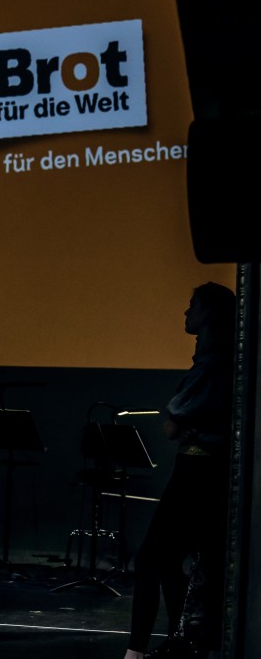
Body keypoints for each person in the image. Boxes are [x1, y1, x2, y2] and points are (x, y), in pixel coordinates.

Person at [123, 281, 236, 659]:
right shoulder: (218, 363)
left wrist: (181, 423)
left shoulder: (211, 365)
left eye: (193, 305)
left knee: (150, 559)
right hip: (203, 470)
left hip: (196, 473)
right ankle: (180, 641)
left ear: (209, 314)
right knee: (169, 561)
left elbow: (173, 425)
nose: (186, 312)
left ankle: (138, 650)